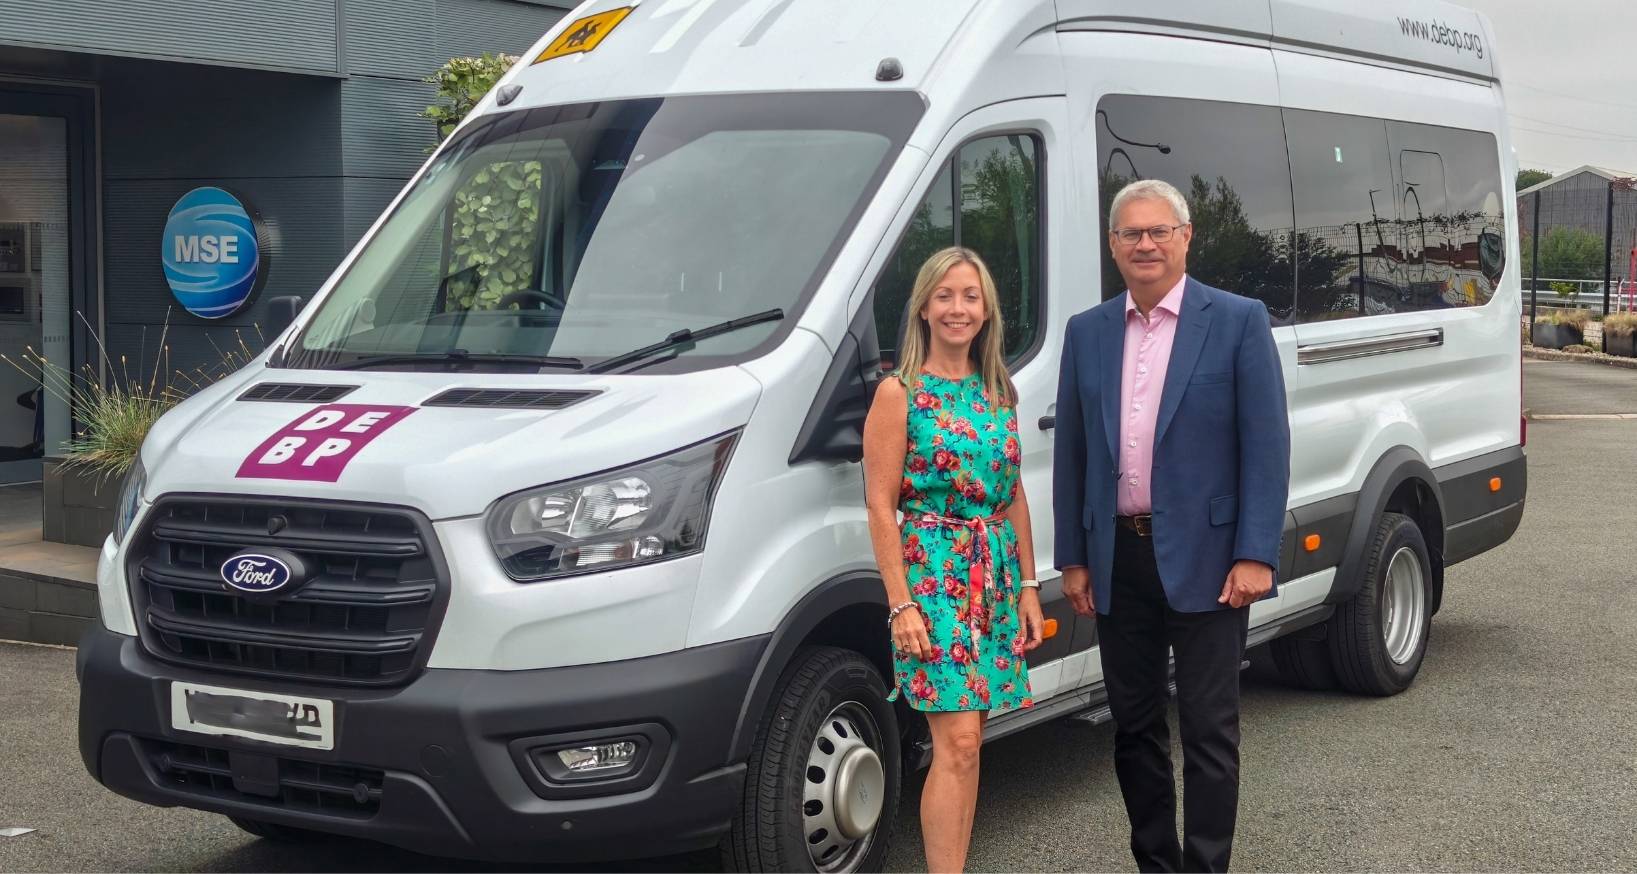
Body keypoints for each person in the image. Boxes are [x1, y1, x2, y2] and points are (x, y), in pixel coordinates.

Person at [1052, 179, 1290, 873]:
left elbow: (1265, 446)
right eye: (1131, 233)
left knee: (1210, 732)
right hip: (1118, 561)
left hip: (1213, 561)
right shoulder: (1087, 332)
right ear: (1112, 245)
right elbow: (1071, 452)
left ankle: (1205, 865)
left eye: (1159, 231)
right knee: (1133, 728)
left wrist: (1254, 553)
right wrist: (1074, 557)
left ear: (1186, 238)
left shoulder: (1238, 320)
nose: (1145, 244)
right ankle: (1154, 863)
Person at [863, 246, 1045, 873]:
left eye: (970, 296)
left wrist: (1027, 582)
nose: (958, 308)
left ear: (987, 309)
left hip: (993, 576)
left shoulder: (999, 390)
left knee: (971, 746)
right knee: (957, 738)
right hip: (933, 577)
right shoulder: (899, 394)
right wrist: (900, 603)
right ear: (922, 308)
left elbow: (1013, 491)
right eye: (945, 295)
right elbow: (880, 506)